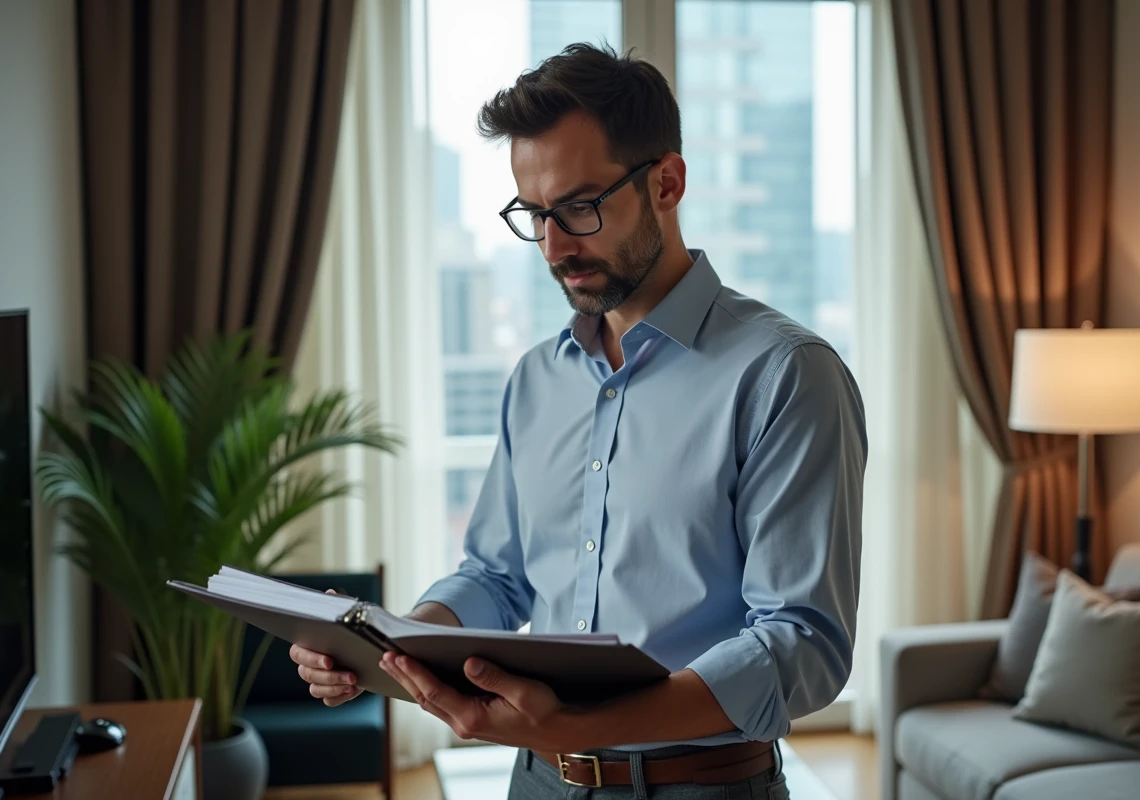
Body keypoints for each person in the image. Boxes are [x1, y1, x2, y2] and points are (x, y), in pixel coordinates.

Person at [290, 42, 867, 800]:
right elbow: (497, 576)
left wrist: (587, 726)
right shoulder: (537, 378)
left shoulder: (785, 374)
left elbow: (801, 645)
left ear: (667, 182)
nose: (555, 247)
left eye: (579, 207)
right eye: (534, 215)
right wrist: (386, 645)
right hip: (536, 781)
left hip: (702, 787)